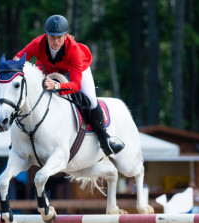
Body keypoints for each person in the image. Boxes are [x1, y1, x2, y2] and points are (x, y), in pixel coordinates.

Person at [13, 14, 124, 156]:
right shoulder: (37, 43)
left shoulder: (74, 50)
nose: (56, 41)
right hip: (49, 68)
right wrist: (12, 70)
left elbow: (76, 85)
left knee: (90, 99)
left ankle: (105, 139)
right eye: (52, 37)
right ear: (46, 35)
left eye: (59, 37)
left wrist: (57, 86)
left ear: (66, 35)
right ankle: (19, 138)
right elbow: (18, 58)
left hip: (75, 71)